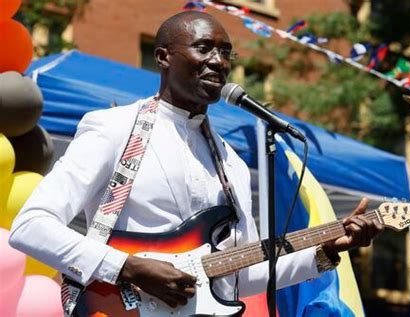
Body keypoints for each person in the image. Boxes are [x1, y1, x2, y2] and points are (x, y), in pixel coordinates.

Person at [9, 10, 383, 312]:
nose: (218, 62)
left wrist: (326, 251)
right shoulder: (114, 128)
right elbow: (31, 225)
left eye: (225, 52)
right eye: (204, 48)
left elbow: (243, 274)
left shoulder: (230, 162)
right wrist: (129, 267)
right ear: (163, 57)